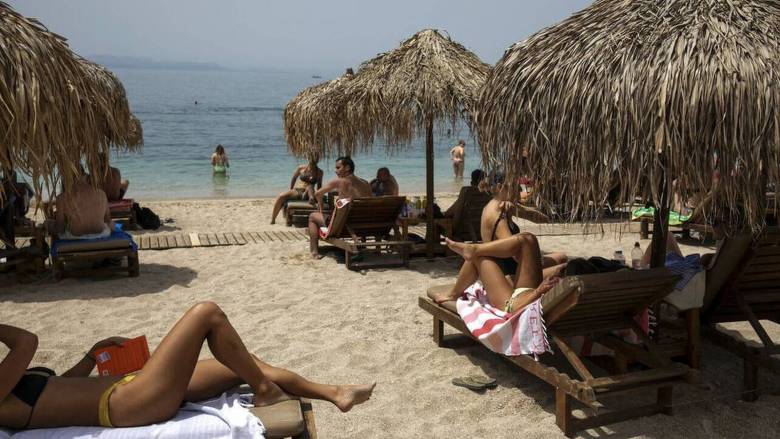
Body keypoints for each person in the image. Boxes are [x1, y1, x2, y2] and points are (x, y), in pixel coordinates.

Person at [0, 302, 375, 430]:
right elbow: (27, 341)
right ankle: (266, 392)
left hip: (130, 385)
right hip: (127, 405)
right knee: (206, 314)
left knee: (243, 365)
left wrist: (90, 355)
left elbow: (56, 384)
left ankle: (334, 393)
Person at [436, 172, 567, 303]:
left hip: (511, 267)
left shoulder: (502, 206)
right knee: (562, 269)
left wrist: (518, 209)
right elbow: (515, 254)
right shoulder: (497, 214)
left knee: (561, 257)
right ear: (500, 187)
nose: (519, 189)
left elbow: (543, 219)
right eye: (515, 186)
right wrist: (534, 259)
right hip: (509, 276)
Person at [432, 235, 560, 313]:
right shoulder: (570, 286)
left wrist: (538, 292)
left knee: (477, 257)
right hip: (528, 292)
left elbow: (516, 310)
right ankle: (474, 249)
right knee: (528, 239)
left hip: (515, 304)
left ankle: (453, 294)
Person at [307, 156, 371, 258]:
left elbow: (317, 194)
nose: (335, 170)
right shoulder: (365, 183)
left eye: (338, 167)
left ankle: (314, 251)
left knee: (312, 216)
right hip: (362, 225)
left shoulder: (339, 181)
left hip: (342, 226)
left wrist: (321, 205)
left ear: (347, 168)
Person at [53, 171, 113, 238]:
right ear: (85, 176)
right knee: (111, 224)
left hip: (75, 237)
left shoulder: (62, 197)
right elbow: (107, 219)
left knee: (48, 224)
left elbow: (60, 228)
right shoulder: (101, 193)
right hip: (101, 234)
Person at [270, 159, 324, 225]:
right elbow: (294, 178)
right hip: (297, 190)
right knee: (281, 196)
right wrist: (291, 189)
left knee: (310, 186)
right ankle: (273, 219)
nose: (313, 161)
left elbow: (319, 187)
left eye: (316, 159)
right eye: (312, 159)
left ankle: (311, 198)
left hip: (309, 193)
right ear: (309, 158)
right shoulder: (301, 168)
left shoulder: (319, 172)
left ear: (317, 160)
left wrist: (319, 199)